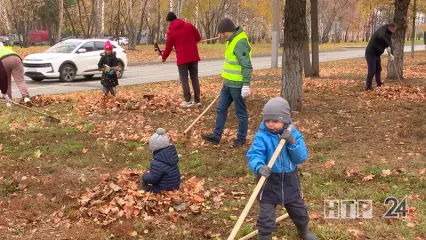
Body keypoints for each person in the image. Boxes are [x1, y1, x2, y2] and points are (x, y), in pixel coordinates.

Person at [246, 97, 318, 240]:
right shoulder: (262, 136)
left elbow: (301, 157)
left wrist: (292, 142)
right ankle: (264, 236)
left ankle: (304, 230)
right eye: (267, 121)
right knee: (266, 216)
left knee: (298, 210)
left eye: (275, 121)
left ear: (285, 120)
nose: (271, 124)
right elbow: (254, 154)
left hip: (289, 179)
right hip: (268, 181)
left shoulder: (293, 134)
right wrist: (259, 167)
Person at [200, 18, 253, 148]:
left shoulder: (240, 42)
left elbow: (246, 65)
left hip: (237, 84)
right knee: (221, 108)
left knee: (240, 112)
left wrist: (246, 85)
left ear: (228, 31)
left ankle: (241, 139)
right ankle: (216, 136)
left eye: (222, 33)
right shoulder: (231, 40)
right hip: (228, 83)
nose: (221, 36)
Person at [161, 12, 202, 108]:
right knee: (194, 78)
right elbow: (198, 38)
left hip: (182, 59)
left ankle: (187, 101)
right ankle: (197, 100)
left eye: (168, 23)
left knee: (184, 79)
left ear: (170, 21)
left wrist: (163, 57)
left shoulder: (171, 32)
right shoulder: (189, 25)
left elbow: (168, 47)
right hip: (193, 56)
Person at [140, 128, 181, 193]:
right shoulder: (170, 156)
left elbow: (152, 179)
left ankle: (146, 189)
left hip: (164, 189)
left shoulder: (157, 162)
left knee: (146, 186)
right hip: (175, 186)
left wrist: (145, 176)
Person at [365, 23, 397, 90]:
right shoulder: (383, 29)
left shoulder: (389, 34)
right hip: (370, 53)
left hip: (377, 54)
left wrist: (391, 54)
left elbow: (390, 43)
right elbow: (380, 36)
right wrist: (387, 45)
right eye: (393, 30)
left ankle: (379, 83)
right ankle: (368, 86)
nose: (394, 32)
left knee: (378, 69)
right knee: (372, 70)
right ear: (390, 27)